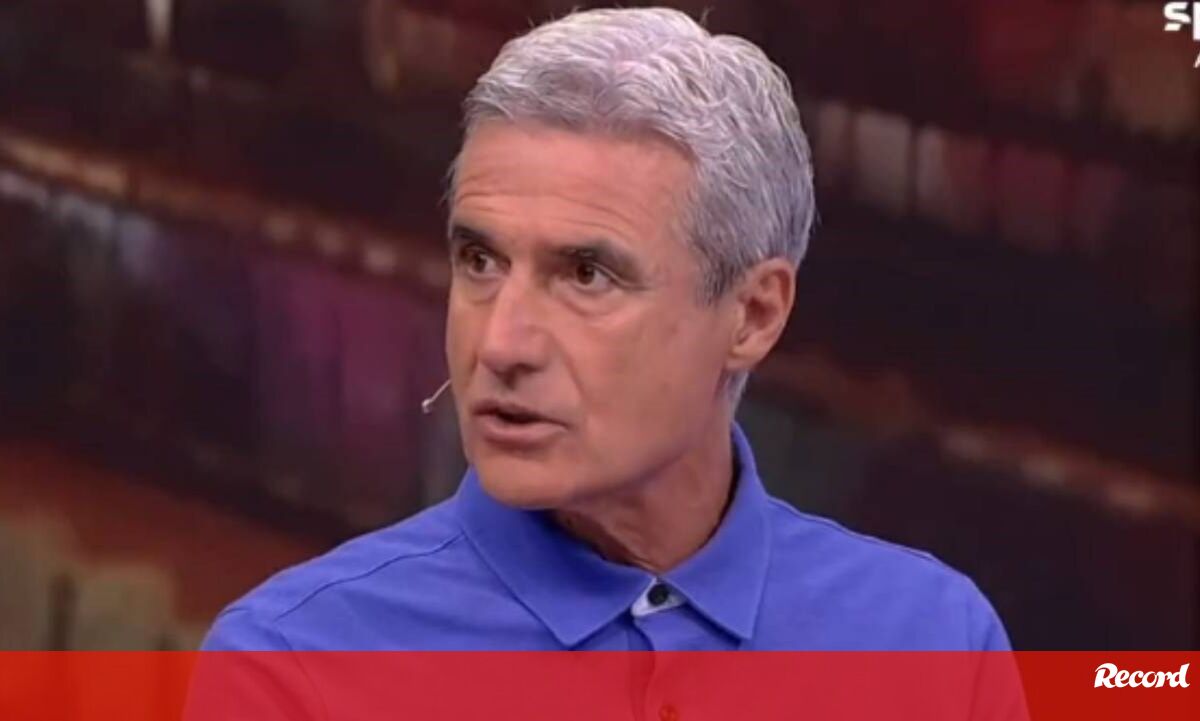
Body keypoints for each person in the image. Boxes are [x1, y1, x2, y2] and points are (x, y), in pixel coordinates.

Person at [201, 6, 1010, 654]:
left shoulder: (934, 638)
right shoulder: (295, 659)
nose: (501, 344)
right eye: (480, 261)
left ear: (754, 314)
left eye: (586, 274)